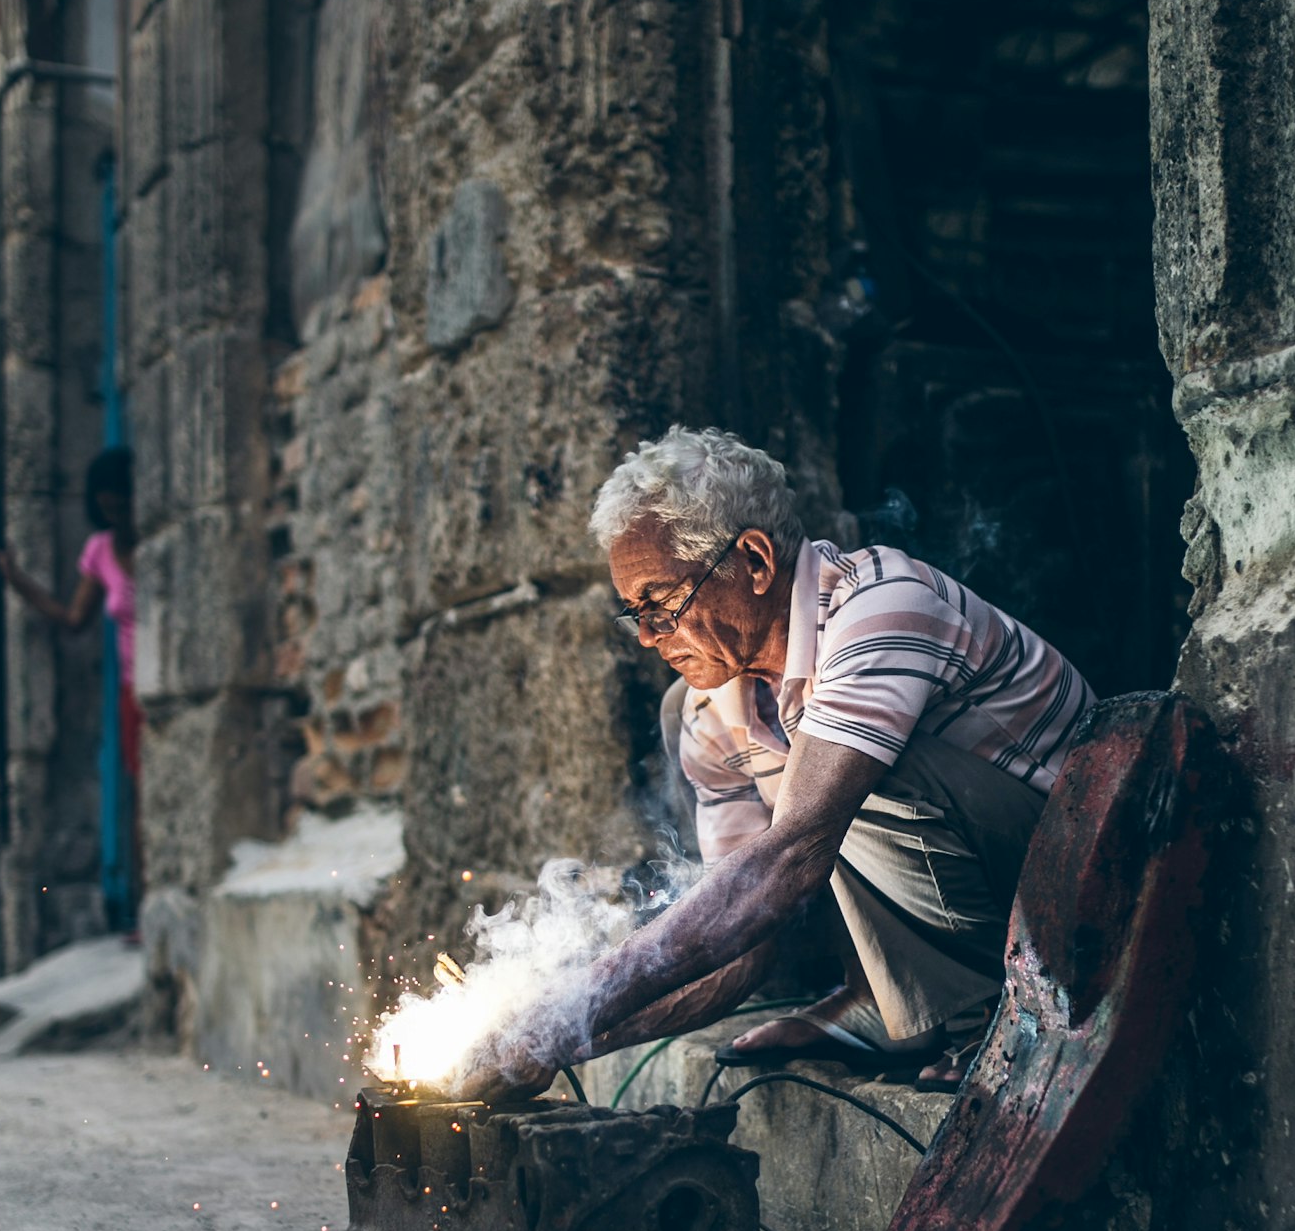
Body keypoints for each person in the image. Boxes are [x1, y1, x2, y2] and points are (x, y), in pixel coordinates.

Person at [464, 426, 1093, 1101]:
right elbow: (744, 934)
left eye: (660, 603)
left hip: (1080, 880)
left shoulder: (881, 604)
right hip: (978, 897)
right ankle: (881, 1001)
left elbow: (793, 856)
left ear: (755, 563)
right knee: (773, 771)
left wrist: (575, 1005)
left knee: (839, 788)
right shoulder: (710, 707)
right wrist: (560, 1036)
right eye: (635, 614)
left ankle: (984, 1021)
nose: (648, 637)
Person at [0, 445, 142, 915]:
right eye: (106, 506)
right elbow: (74, 618)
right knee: (139, 797)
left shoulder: (157, 538)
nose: (114, 514)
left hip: (163, 682)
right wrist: (18, 581)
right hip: (133, 690)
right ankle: (142, 902)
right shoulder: (99, 550)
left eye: (121, 503)